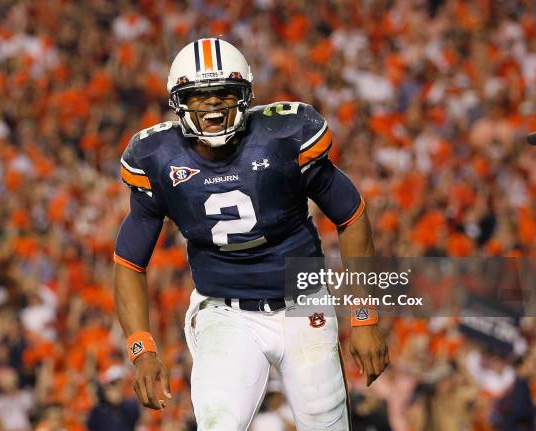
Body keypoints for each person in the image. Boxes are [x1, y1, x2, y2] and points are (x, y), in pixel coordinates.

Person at [113, 38, 389, 430]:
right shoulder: (157, 159)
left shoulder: (283, 138)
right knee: (217, 422)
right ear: (178, 102)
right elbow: (128, 262)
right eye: (199, 96)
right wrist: (141, 349)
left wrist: (364, 317)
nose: (212, 105)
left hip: (303, 304)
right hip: (226, 312)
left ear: (245, 96)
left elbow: (352, 216)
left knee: (325, 423)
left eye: (224, 93)